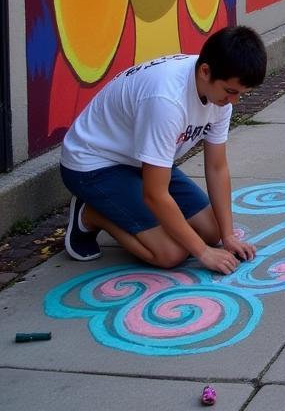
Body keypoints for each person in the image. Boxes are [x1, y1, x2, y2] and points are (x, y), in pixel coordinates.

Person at [60, 25, 267, 272]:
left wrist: (228, 236)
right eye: (231, 92)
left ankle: (123, 205)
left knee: (211, 232)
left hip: (138, 159)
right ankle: (92, 213)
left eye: (241, 94)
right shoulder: (166, 101)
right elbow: (154, 194)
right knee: (171, 253)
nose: (233, 101)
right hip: (93, 165)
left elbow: (216, 167)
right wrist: (203, 253)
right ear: (205, 71)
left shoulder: (218, 92)